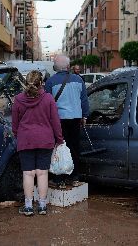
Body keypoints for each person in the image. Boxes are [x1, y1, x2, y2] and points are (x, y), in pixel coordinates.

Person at [12, 70, 63, 216]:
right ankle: (42, 206)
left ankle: (28, 207)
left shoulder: (18, 99)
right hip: (45, 139)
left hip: (25, 139)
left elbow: (15, 124)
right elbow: (55, 122)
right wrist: (59, 139)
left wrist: (19, 135)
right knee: (42, 173)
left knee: (28, 174)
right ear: (41, 83)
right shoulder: (48, 98)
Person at [45, 55, 89, 188]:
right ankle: (74, 177)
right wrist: (85, 116)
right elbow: (84, 100)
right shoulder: (78, 80)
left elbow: (47, 103)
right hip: (76, 119)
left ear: (55, 67)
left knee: (59, 148)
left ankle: (60, 179)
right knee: (74, 148)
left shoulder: (50, 82)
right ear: (68, 66)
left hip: (59, 120)